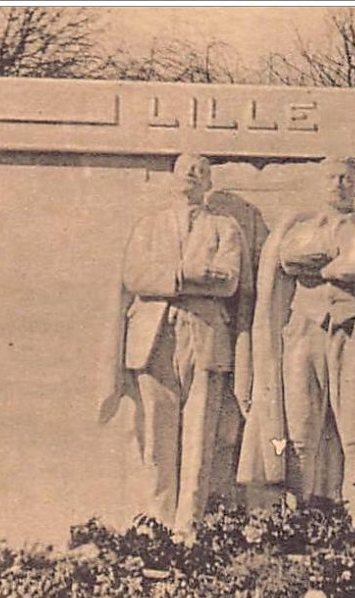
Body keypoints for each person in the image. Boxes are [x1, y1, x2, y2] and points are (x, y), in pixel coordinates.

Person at [239, 157, 355, 521]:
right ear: (322, 184)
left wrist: (324, 267)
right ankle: (297, 517)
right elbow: (290, 258)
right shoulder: (302, 226)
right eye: (333, 178)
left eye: (347, 179)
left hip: (353, 332)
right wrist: (337, 261)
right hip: (304, 331)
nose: (339, 184)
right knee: (300, 427)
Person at [112, 153, 247, 535]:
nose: (192, 174)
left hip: (204, 335)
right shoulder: (149, 225)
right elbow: (136, 275)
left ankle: (189, 526)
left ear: (209, 184)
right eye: (186, 168)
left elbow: (228, 279)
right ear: (174, 177)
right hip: (155, 337)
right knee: (156, 433)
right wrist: (188, 276)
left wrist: (175, 280)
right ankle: (156, 522)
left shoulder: (225, 227)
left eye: (201, 170)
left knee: (200, 437)